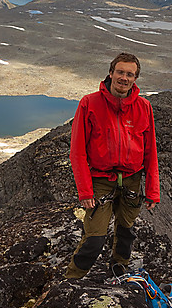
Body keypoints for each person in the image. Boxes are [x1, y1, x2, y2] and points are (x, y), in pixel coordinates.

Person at [65, 52, 160, 279]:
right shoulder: (89, 104)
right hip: (100, 179)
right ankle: (72, 278)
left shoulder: (144, 107)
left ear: (135, 79)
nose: (124, 78)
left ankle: (119, 266)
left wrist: (153, 190)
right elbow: (77, 152)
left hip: (132, 179)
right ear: (110, 73)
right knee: (95, 237)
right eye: (120, 72)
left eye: (130, 74)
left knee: (126, 231)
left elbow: (151, 152)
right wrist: (85, 191)